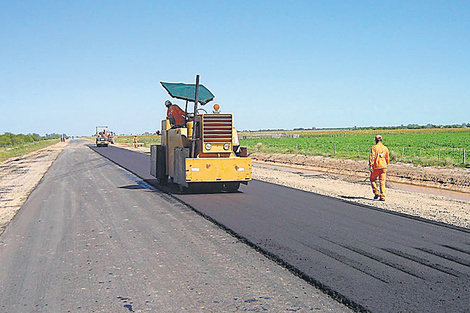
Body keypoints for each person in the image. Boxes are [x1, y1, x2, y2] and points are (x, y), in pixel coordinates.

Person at [369, 134, 390, 201]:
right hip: (383, 166)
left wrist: (370, 165)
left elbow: (372, 157)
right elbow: (387, 158)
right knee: (382, 182)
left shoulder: (374, 148)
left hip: (376, 167)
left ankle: (376, 192)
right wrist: (386, 165)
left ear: (375, 140)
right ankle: (382, 196)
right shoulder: (385, 148)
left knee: (372, 180)